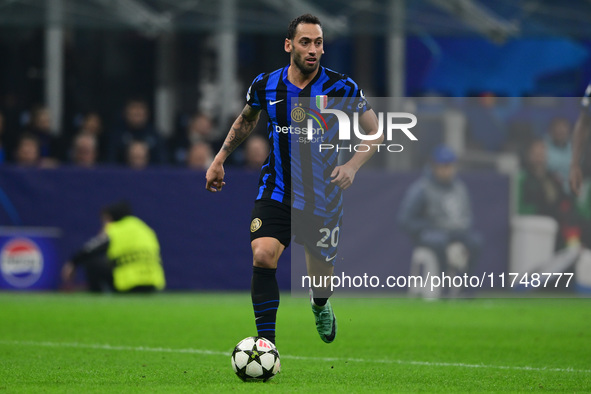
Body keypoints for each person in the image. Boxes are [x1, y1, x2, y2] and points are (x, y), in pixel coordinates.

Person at [205, 14, 381, 345]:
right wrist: (219, 159)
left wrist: (354, 166)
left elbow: (375, 131)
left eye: (318, 43)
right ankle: (266, 345)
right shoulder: (266, 84)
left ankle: (320, 305)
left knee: (320, 284)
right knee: (263, 255)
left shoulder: (341, 87)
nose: (313, 49)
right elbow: (246, 121)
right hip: (277, 190)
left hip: (323, 197)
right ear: (289, 45)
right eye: (305, 42)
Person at [398, 145, 482, 280]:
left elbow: (467, 216)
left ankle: (465, 285)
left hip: (457, 233)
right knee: (439, 241)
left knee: (475, 241)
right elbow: (405, 220)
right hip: (432, 234)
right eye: (443, 166)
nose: (447, 170)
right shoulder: (421, 189)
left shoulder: (460, 188)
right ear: (434, 166)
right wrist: (429, 226)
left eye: (450, 166)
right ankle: (443, 282)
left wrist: (462, 228)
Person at [61, 201, 166, 293]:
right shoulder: (145, 229)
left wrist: (72, 262)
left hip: (128, 285)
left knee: (91, 263)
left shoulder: (114, 229)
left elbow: (90, 249)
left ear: (110, 218)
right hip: (152, 284)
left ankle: (96, 298)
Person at [107, 98, 167, 165]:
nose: (137, 113)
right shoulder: (117, 135)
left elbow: (163, 162)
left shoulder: (155, 135)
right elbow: (111, 161)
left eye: (139, 112)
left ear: (146, 114)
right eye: (134, 111)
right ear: (126, 113)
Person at [544, 117, 572, 193]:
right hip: (550, 189)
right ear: (551, 130)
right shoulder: (543, 146)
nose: (560, 130)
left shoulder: (575, 148)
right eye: (557, 127)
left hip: (572, 190)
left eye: (563, 127)